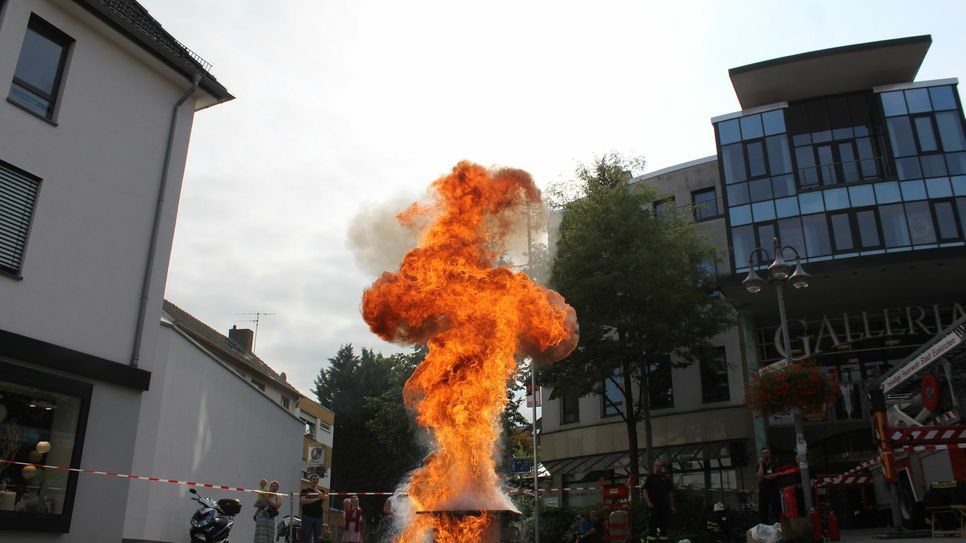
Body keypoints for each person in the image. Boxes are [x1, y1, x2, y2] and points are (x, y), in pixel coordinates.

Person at [643, 458, 675, 542]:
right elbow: (645, 491)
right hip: (653, 506)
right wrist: (648, 502)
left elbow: (670, 493)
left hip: (664, 506)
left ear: (662, 467)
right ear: (654, 466)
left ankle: (663, 540)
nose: (658, 467)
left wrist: (672, 506)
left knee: (664, 525)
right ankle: (652, 540)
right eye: (657, 466)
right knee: (652, 525)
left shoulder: (666, 478)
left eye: (660, 466)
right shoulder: (650, 478)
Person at [300, 473, 329, 543]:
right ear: (310, 480)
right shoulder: (305, 490)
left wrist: (315, 489)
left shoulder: (320, 491)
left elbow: (325, 497)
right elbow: (303, 501)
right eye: (313, 479)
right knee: (306, 537)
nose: (315, 481)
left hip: (318, 518)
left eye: (317, 480)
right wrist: (316, 499)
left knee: (318, 538)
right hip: (307, 516)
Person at [756, 448, 782, 525]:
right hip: (763, 491)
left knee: (777, 509)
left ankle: (779, 524)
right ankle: (765, 525)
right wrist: (761, 464)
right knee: (763, 510)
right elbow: (759, 475)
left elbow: (775, 475)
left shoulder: (775, 464)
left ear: (769, 454)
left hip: (774, 490)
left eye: (766, 452)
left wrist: (763, 477)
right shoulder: (760, 465)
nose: (765, 454)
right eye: (763, 453)